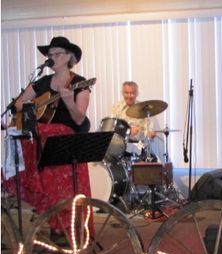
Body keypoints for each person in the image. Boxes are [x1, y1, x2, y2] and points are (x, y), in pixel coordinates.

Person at [3, 36, 93, 238]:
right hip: (40, 139)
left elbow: (79, 120)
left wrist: (68, 102)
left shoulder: (79, 84)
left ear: (69, 57)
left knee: (64, 189)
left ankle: (65, 229)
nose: (52, 57)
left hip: (64, 143)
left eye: (57, 54)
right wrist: (32, 109)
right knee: (18, 135)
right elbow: (18, 103)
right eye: (49, 54)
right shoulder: (42, 82)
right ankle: (49, 219)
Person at [111, 81, 157, 161]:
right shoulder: (116, 108)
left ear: (137, 94)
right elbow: (112, 129)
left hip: (139, 146)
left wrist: (150, 135)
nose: (129, 96)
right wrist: (127, 131)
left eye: (132, 93)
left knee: (153, 160)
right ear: (122, 93)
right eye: (126, 93)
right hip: (121, 147)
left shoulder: (144, 109)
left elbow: (149, 130)